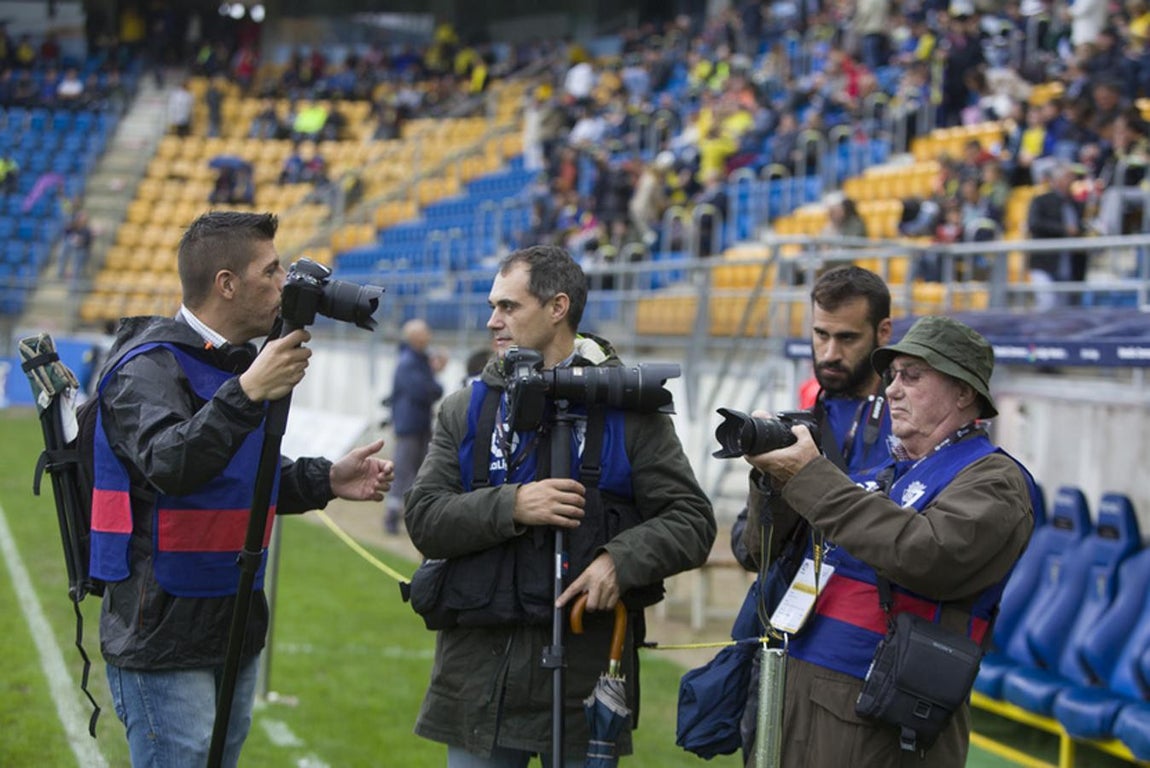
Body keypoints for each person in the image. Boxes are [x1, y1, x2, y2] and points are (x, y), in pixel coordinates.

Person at [92, 211, 396, 768]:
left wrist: (326, 478)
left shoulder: (236, 364)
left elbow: (239, 478)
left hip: (234, 618)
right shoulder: (147, 367)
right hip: (161, 632)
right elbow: (170, 462)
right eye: (272, 271)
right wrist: (248, 392)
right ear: (226, 284)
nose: (285, 285)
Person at [406, 244, 716, 766]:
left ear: (557, 308)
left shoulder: (629, 412)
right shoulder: (467, 408)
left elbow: (692, 520)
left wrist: (620, 559)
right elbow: (424, 518)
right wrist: (512, 504)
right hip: (478, 682)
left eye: (508, 307)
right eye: (492, 306)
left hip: (583, 684)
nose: (492, 322)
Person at [741, 315, 1037, 767]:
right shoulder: (890, 474)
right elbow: (757, 552)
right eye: (892, 376)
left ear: (964, 393)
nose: (892, 389)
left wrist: (810, 475)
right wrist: (773, 480)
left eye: (912, 377)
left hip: (882, 722)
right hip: (811, 694)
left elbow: (926, 555)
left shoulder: (995, 479)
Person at [731, 265, 894, 762]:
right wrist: (769, 480)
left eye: (847, 338)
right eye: (820, 334)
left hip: (864, 659)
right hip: (785, 644)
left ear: (883, 334)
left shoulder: (909, 421)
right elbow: (750, 549)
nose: (829, 353)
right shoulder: (805, 414)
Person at [384, 318, 446, 536]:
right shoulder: (409, 361)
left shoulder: (417, 359)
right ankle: (391, 517)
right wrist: (436, 382)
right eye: (425, 333)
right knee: (403, 472)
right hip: (409, 425)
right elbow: (424, 391)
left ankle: (410, 516)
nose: (429, 336)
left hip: (416, 423)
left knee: (417, 472)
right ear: (415, 337)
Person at [1026, 163, 1089, 310]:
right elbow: (1034, 224)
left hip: (1069, 263)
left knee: (1065, 310)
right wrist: (1064, 229)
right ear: (1057, 180)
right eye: (1068, 177)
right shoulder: (1041, 200)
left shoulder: (1076, 204)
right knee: (1047, 303)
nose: (1072, 181)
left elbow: (1079, 227)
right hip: (1045, 262)